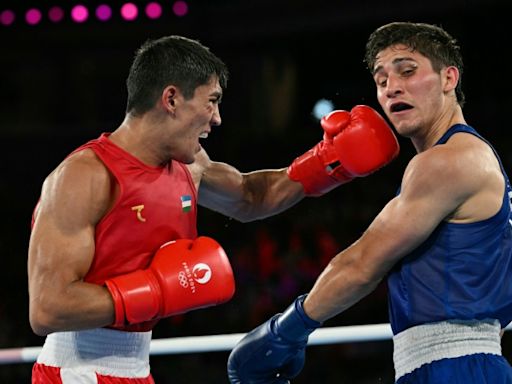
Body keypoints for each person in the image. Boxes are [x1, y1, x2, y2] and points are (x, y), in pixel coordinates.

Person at [27, 35, 399, 383]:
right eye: (212, 100)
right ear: (171, 99)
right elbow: (48, 308)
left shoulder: (190, 165)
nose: (217, 118)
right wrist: (157, 290)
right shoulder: (85, 176)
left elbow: (252, 196)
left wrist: (329, 163)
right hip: (74, 370)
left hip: (136, 367)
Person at [227, 21, 512, 384]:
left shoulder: (447, 162)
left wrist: (286, 330)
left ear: (449, 78)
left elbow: (362, 264)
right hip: (457, 364)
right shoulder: (471, 157)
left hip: (454, 368)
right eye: (381, 80)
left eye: (408, 71)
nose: (393, 87)